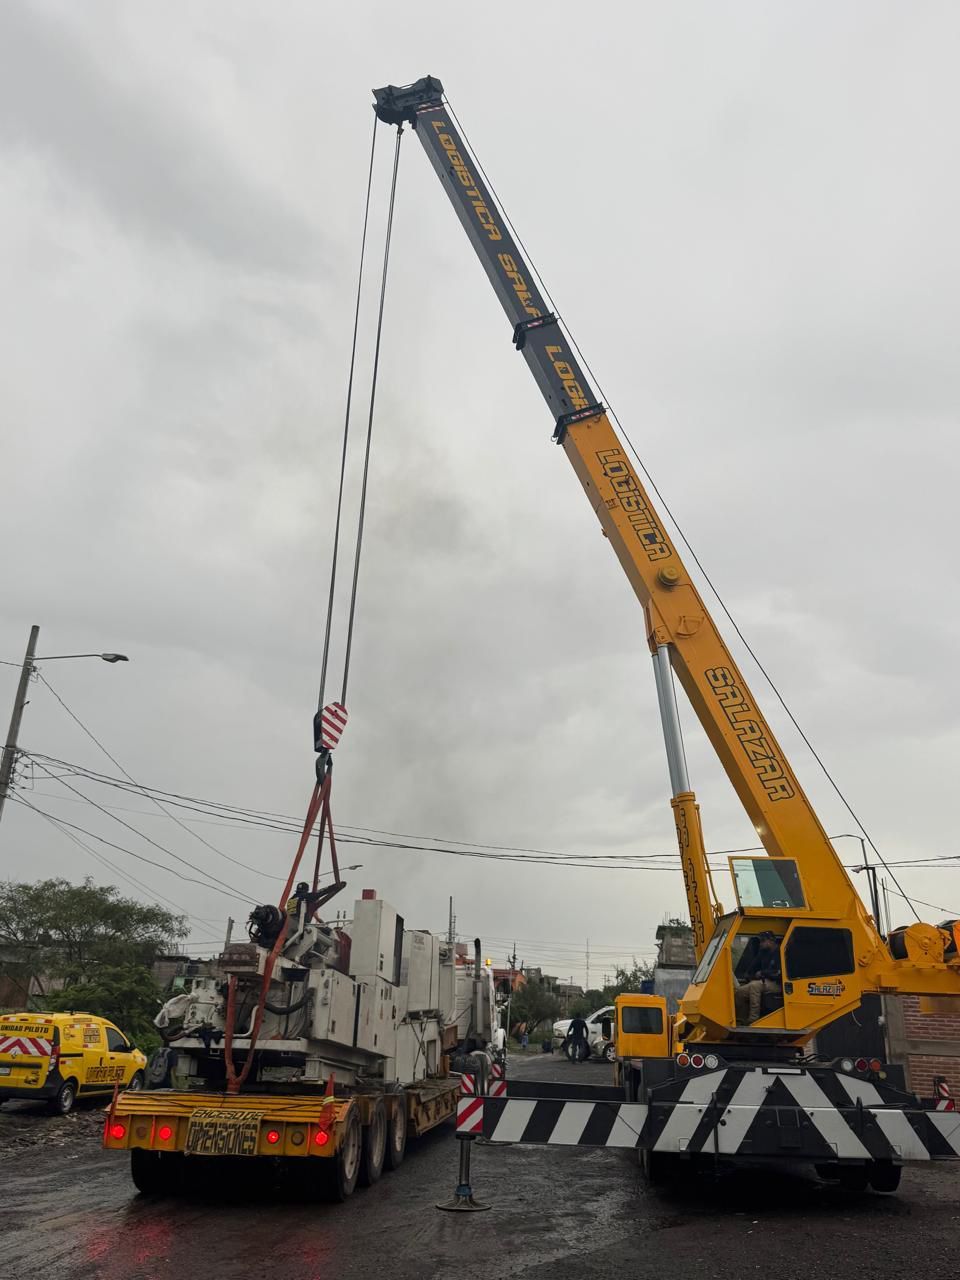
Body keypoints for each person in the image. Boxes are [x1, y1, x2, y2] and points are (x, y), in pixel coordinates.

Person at [734, 932, 782, 1024]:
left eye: (763, 941)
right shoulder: (763, 952)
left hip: (778, 984)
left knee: (755, 986)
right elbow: (754, 964)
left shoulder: (780, 952)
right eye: (760, 941)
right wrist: (748, 973)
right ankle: (741, 1019)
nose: (761, 944)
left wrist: (763, 973)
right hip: (765, 981)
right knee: (739, 992)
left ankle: (753, 1019)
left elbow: (778, 972)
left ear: (771, 941)